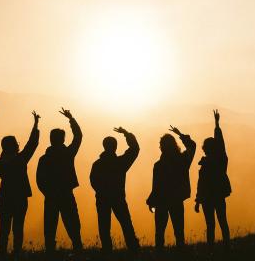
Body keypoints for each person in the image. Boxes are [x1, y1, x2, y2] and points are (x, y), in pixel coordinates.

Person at [0, 110, 41, 259]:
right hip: (20, 197)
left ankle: (2, 254)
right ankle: (16, 254)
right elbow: (32, 144)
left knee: (4, 228)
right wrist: (36, 124)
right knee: (18, 228)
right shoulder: (20, 159)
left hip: (5, 197)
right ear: (15, 146)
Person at [36, 108, 83, 253]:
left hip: (50, 196)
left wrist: (48, 192)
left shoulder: (44, 158)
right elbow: (78, 136)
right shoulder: (67, 154)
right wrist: (71, 118)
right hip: (66, 194)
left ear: (51, 139)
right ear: (62, 139)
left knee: (50, 226)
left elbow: (39, 180)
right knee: (73, 224)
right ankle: (78, 248)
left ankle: (50, 251)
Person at [89, 126, 141, 254]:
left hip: (102, 198)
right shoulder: (120, 162)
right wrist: (126, 134)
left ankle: (107, 250)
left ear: (104, 146)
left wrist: (101, 191)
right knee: (126, 223)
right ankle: (133, 248)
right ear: (115, 147)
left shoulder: (97, 164)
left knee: (104, 226)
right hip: (118, 198)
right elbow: (135, 149)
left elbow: (93, 181)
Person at [146, 125, 196, 249]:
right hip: (177, 200)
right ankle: (180, 254)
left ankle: (159, 255)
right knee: (179, 231)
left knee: (159, 232)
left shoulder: (158, 165)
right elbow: (192, 146)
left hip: (161, 201)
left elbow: (156, 186)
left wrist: (152, 201)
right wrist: (180, 134)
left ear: (162, 147)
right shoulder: (182, 160)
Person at [195, 109, 232, 250]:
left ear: (206, 149)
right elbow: (221, 144)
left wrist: (198, 201)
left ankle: (211, 249)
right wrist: (216, 125)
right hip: (217, 195)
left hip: (207, 198)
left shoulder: (212, 162)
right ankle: (226, 247)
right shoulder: (221, 160)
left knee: (211, 224)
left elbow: (201, 184)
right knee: (222, 221)